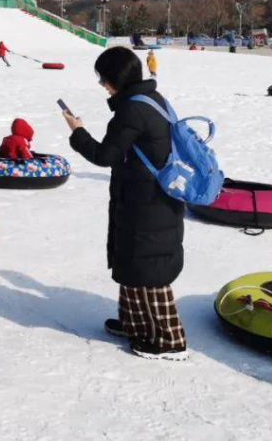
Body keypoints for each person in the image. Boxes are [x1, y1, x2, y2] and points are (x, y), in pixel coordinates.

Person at [64, 46, 187, 361]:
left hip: (148, 202)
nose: (102, 85)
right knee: (133, 262)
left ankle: (171, 341)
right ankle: (135, 322)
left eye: (103, 79)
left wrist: (78, 132)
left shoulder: (132, 110)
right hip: (143, 197)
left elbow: (106, 155)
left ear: (115, 78)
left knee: (150, 267)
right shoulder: (151, 100)